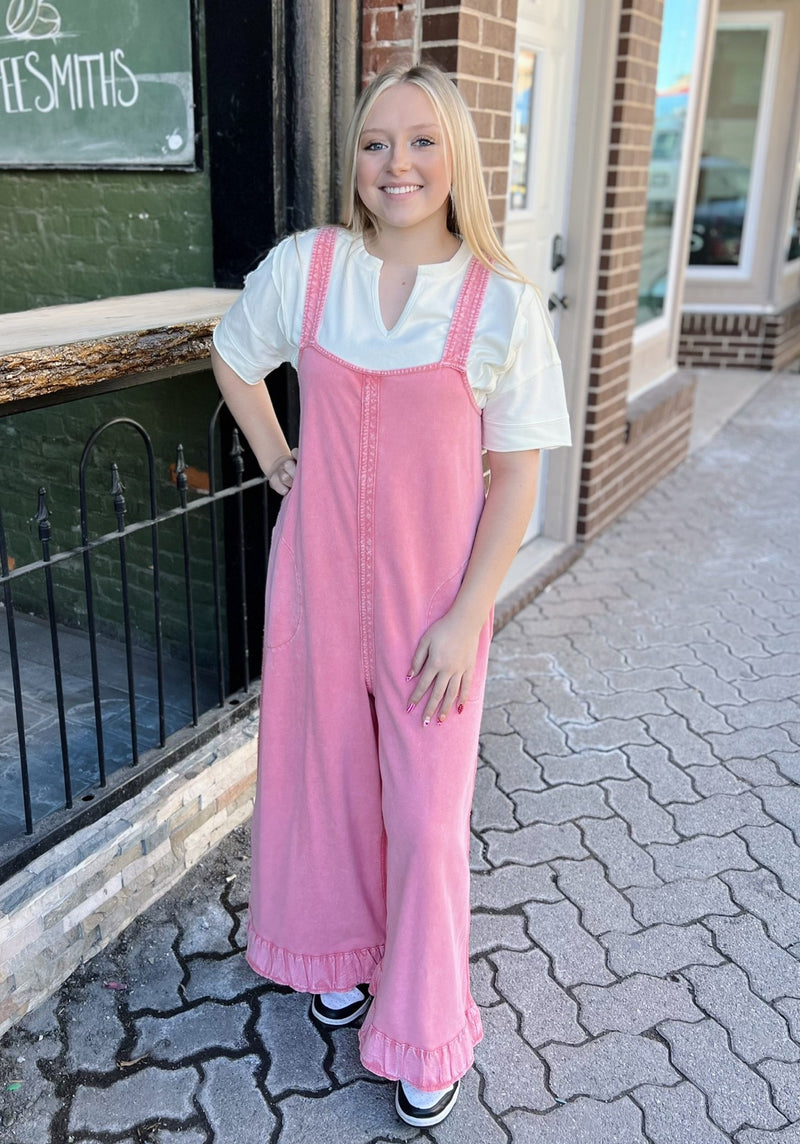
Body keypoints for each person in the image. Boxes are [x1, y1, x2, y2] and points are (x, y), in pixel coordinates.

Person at [211, 62, 571, 1128]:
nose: (395, 163)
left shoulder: (499, 303)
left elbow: (516, 480)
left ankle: (421, 1021)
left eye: (418, 141)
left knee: (424, 816)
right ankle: (333, 949)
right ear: (354, 162)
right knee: (321, 779)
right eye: (374, 143)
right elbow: (235, 360)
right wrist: (282, 460)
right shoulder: (307, 270)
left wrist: (468, 615)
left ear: (453, 155)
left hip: (431, 601)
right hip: (315, 580)